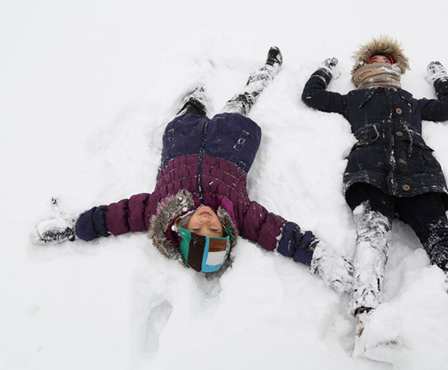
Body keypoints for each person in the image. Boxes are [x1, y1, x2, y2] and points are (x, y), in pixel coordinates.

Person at [33, 47, 353, 295]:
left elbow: (114, 217)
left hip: (184, 139)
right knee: (240, 102)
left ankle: (196, 98)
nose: (207, 223)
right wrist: (317, 256)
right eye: (216, 232)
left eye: (198, 232)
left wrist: (76, 227)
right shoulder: (238, 213)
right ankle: (267, 71)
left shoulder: (157, 210)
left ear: (182, 232)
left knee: (189, 112)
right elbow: (279, 232)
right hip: (229, 141)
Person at [301, 36, 448, 357]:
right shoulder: (353, 99)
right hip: (369, 173)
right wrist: (324, 70)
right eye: (376, 60)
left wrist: (441, 78)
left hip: (420, 174)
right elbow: (312, 96)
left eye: (388, 61)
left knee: (443, 243)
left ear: (397, 68)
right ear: (364, 67)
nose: (383, 64)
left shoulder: (411, 101)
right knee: (372, 240)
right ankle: (367, 319)